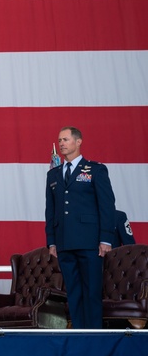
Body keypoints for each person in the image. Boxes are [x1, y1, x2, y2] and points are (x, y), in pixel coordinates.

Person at [45, 126, 116, 329]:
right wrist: (51, 239)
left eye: (65, 139)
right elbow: (51, 210)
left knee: (91, 291)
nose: (61, 144)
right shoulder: (54, 174)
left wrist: (105, 238)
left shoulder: (95, 169)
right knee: (73, 292)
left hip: (89, 241)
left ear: (78, 141)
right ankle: (79, 333)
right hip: (64, 242)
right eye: (59, 140)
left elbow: (107, 205)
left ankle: (93, 335)